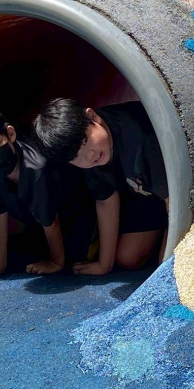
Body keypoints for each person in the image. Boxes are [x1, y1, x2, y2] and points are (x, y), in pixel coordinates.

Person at [33, 98, 169, 275]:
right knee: (128, 258)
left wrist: (165, 263)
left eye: (85, 142)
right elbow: (106, 201)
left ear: (92, 116)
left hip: (173, 189)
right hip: (142, 193)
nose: (88, 157)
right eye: (75, 157)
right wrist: (105, 264)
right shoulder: (93, 159)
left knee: (166, 263)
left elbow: (177, 203)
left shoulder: (141, 138)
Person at [0, 105, 82, 275]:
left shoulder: (36, 169)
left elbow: (50, 221)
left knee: (78, 255)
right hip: (39, 220)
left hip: (75, 211)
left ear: (10, 134)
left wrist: (56, 262)